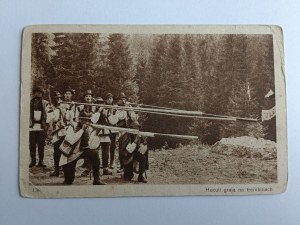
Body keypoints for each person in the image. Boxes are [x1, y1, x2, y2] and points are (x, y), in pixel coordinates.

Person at [59, 117, 106, 185]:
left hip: (82, 151)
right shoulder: (72, 127)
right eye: (84, 120)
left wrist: (96, 133)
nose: (86, 122)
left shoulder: (89, 129)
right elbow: (71, 140)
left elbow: (93, 146)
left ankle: (96, 179)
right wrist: (82, 130)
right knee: (69, 181)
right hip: (71, 153)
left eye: (88, 120)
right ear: (80, 120)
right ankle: (68, 176)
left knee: (95, 153)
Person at [29, 87, 49, 168]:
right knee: (32, 144)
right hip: (32, 126)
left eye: (40, 93)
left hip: (41, 125)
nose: (38, 94)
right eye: (37, 92)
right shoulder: (30, 102)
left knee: (41, 144)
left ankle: (41, 161)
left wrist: (46, 124)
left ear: (42, 94)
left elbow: (48, 114)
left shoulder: (45, 103)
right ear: (34, 93)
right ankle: (33, 161)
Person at [48, 91, 67, 176]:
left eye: (59, 98)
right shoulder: (50, 108)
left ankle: (64, 168)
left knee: (65, 150)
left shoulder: (64, 107)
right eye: (56, 99)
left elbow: (69, 117)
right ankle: (57, 170)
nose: (58, 100)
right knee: (56, 151)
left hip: (64, 130)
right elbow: (50, 119)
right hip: (56, 131)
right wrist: (53, 111)